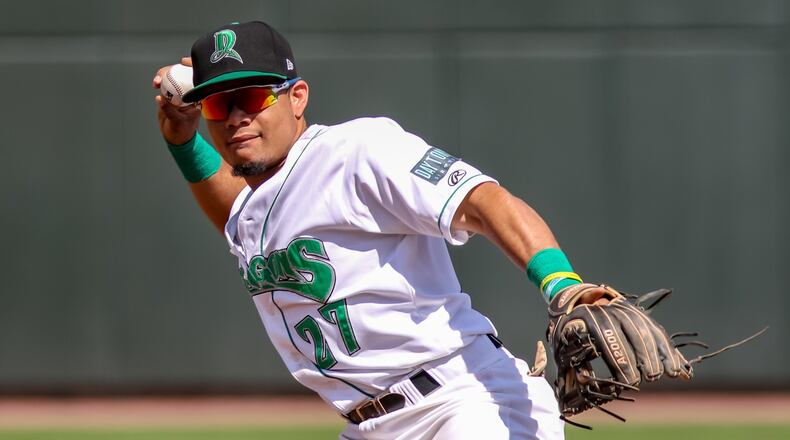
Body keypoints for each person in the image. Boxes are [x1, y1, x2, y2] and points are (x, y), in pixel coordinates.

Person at [153, 20, 592, 439]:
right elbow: (241, 214)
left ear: (298, 97)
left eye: (251, 99)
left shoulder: (357, 151)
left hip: (464, 405)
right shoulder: (257, 202)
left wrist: (562, 284)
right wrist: (183, 141)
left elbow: (482, 201)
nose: (234, 118)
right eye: (216, 104)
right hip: (369, 426)